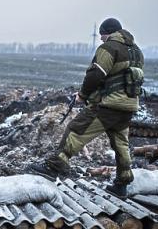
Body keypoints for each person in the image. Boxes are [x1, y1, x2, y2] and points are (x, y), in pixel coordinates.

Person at [30, 18, 144, 197]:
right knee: (121, 144)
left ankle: (54, 166)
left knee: (76, 129)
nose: (100, 39)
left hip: (108, 105)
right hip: (129, 106)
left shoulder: (109, 48)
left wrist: (82, 95)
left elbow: (95, 74)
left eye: (102, 34)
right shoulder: (137, 51)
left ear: (109, 32)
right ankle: (122, 183)